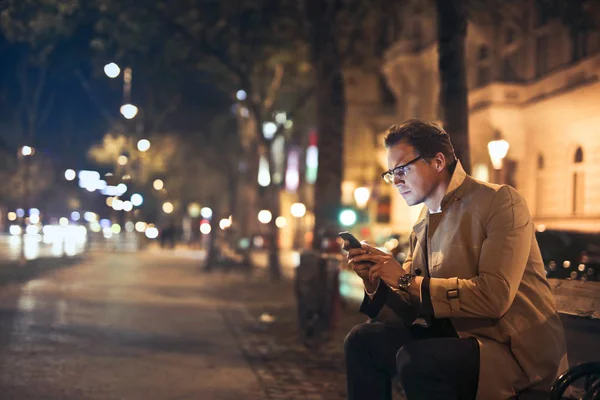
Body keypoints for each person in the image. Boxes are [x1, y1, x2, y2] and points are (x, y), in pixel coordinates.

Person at [343, 120, 568, 400]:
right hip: (455, 341)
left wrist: (403, 278)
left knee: (419, 359)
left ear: (438, 161)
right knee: (363, 341)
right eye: (391, 173)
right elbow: (412, 311)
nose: (397, 180)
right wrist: (375, 280)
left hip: (512, 351)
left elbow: (494, 297)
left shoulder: (500, 201)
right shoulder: (423, 222)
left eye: (402, 169)